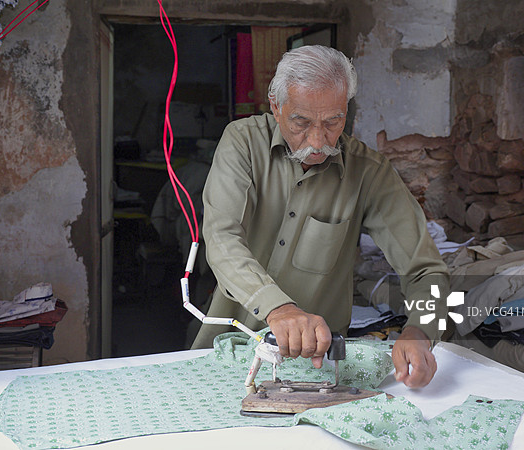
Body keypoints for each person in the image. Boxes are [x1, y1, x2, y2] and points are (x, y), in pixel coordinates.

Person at [190, 45, 450, 388]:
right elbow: (223, 239)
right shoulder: (243, 143)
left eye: (333, 122)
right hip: (226, 348)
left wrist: (421, 331)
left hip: (319, 365)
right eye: (301, 122)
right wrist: (279, 309)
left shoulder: (368, 172)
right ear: (275, 106)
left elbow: (426, 269)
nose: (317, 141)